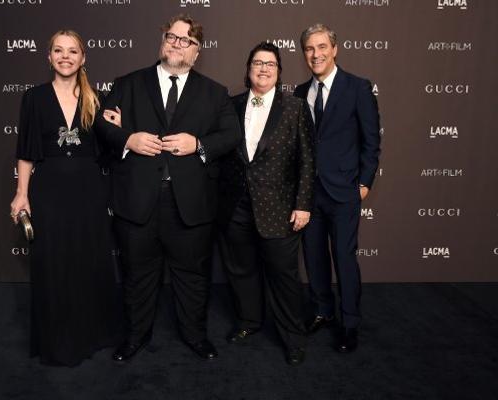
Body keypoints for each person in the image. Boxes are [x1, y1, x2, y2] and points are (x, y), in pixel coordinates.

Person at [96, 14, 241, 362]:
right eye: (172, 37)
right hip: (138, 200)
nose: (177, 44)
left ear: (197, 51)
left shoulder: (214, 92)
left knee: (192, 277)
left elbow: (232, 135)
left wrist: (198, 145)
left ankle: (195, 336)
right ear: (163, 41)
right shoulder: (128, 83)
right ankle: (135, 337)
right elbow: (101, 125)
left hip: (190, 203)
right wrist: (128, 137)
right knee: (137, 276)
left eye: (186, 40)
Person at [9, 30, 122, 366]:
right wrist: (21, 194)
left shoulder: (97, 99)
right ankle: (57, 341)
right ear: (49, 57)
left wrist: (115, 129)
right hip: (49, 193)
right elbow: (27, 152)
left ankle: (92, 335)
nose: (65, 57)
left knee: (87, 261)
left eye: (73, 51)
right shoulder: (34, 97)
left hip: (89, 191)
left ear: (83, 58)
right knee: (54, 264)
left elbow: (108, 153)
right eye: (58, 51)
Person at [217, 42, 315, 365]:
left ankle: (293, 338)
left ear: (279, 72)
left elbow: (307, 161)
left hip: (280, 209)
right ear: (248, 70)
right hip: (236, 207)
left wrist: (302, 204)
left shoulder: (295, 107)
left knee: (284, 277)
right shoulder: (230, 105)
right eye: (257, 63)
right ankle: (248, 322)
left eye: (270, 64)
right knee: (241, 271)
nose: (263, 69)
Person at [293, 24, 381, 353]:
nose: (315, 54)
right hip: (308, 195)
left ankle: (350, 322)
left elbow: (372, 142)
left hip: (345, 192)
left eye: (321, 47)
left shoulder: (358, 87)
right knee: (314, 258)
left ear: (335, 49)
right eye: (309, 49)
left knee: (344, 259)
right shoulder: (300, 94)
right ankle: (322, 312)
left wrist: (364, 184)